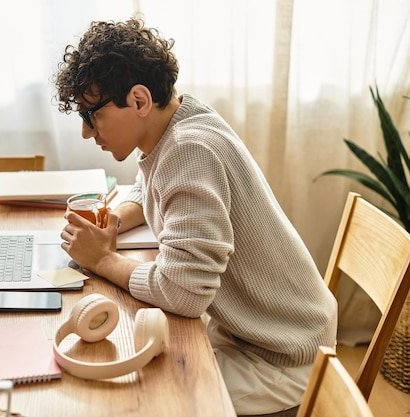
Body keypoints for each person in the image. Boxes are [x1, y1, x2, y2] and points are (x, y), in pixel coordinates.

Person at [54, 18, 337, 416]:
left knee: (137, 401)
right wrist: (113, 220)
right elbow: (148, 181)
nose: (87, 133)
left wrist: (101, 260)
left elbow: (184, 291)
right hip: (257, 333)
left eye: (92, 115)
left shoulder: (190, 151)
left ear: (138, 101)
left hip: (279, 359)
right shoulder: (180, 120)